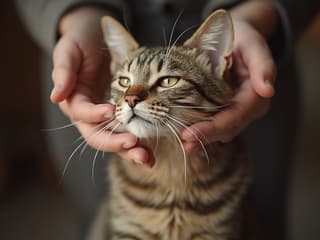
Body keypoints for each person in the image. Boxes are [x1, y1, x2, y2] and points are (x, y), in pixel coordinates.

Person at [15, 0, 320, 239]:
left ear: (215, 62)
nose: (132, 98)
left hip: (250, 56)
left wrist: (257, 14)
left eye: (167, 81)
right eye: (124, 82)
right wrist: (79, 17)